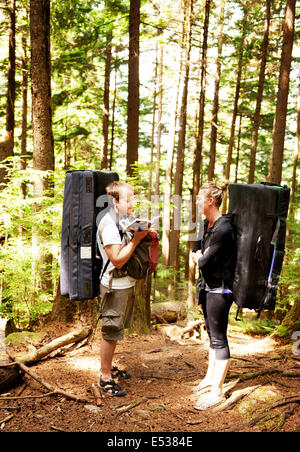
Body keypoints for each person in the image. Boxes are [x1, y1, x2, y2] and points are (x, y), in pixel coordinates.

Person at [97, 181, 149, 397]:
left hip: (124, 285)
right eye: (128, 200)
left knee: (116, 331)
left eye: (133, 198)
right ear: (115, 202)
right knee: (110, 332)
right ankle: (104, 377)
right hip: (113, 287)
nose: (132, 203)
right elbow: (117, 260)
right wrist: (136, 241)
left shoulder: (121, 220)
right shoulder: (109, 225)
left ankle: (108, 368)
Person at [191, 180, 236, 410]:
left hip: (221, 289)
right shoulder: (205, 225)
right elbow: (195, 250)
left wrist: (200, 256)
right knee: (211, 334)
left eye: (200, 198)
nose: (197, 201)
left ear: (210, 201)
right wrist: (199, 255)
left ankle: (217, 391)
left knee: (219, 338)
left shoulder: (223, 228)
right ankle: (209, 379)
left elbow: (202, 260)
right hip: (207, 287)